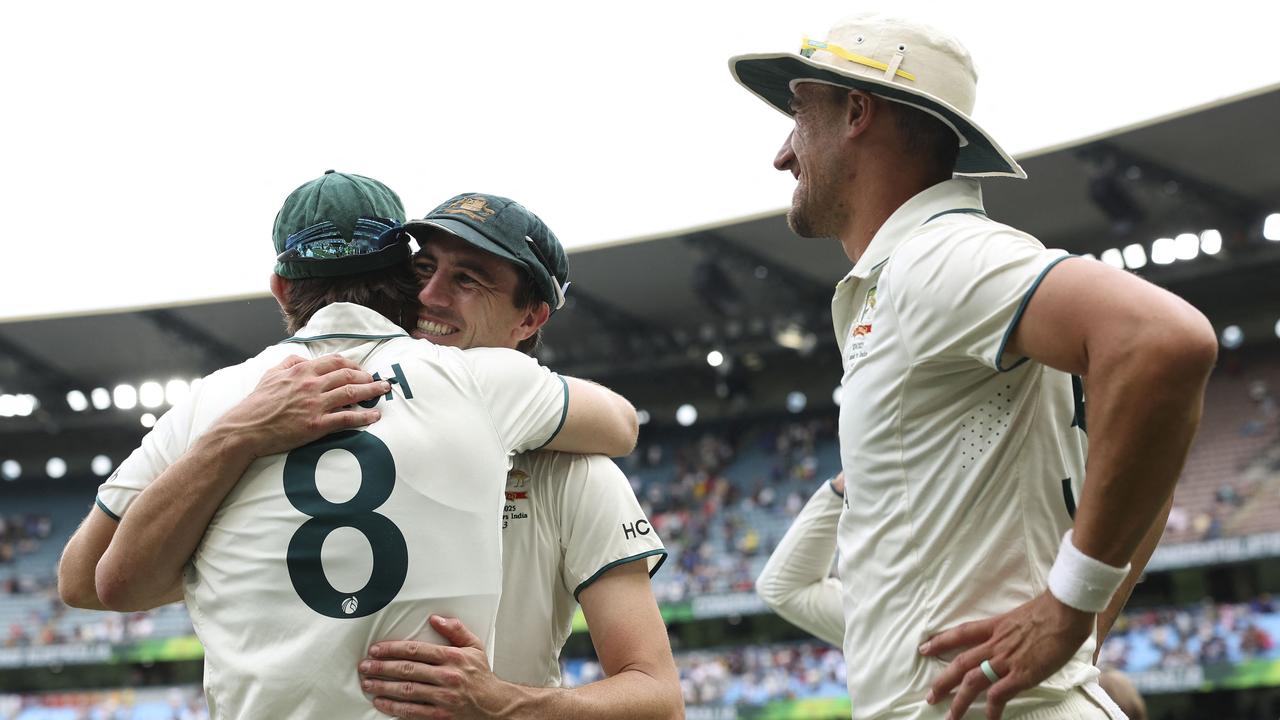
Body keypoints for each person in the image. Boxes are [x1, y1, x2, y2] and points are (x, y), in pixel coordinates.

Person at [730, 13, 1216, 720]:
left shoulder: (933, 256)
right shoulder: (916, 268)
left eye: (799, 117)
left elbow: (1163, 340)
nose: (783, 153)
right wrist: (1081, 625)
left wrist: (1069, 611)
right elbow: (1151, 454)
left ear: (858, 112)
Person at [60, 189, 682, 719]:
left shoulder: (574, 470)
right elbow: (89, 581)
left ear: (531, 317)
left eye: (467, 280)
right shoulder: (293, 409)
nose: (432, 296)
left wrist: (505, 702)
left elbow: (658, 696)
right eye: (421, 270)